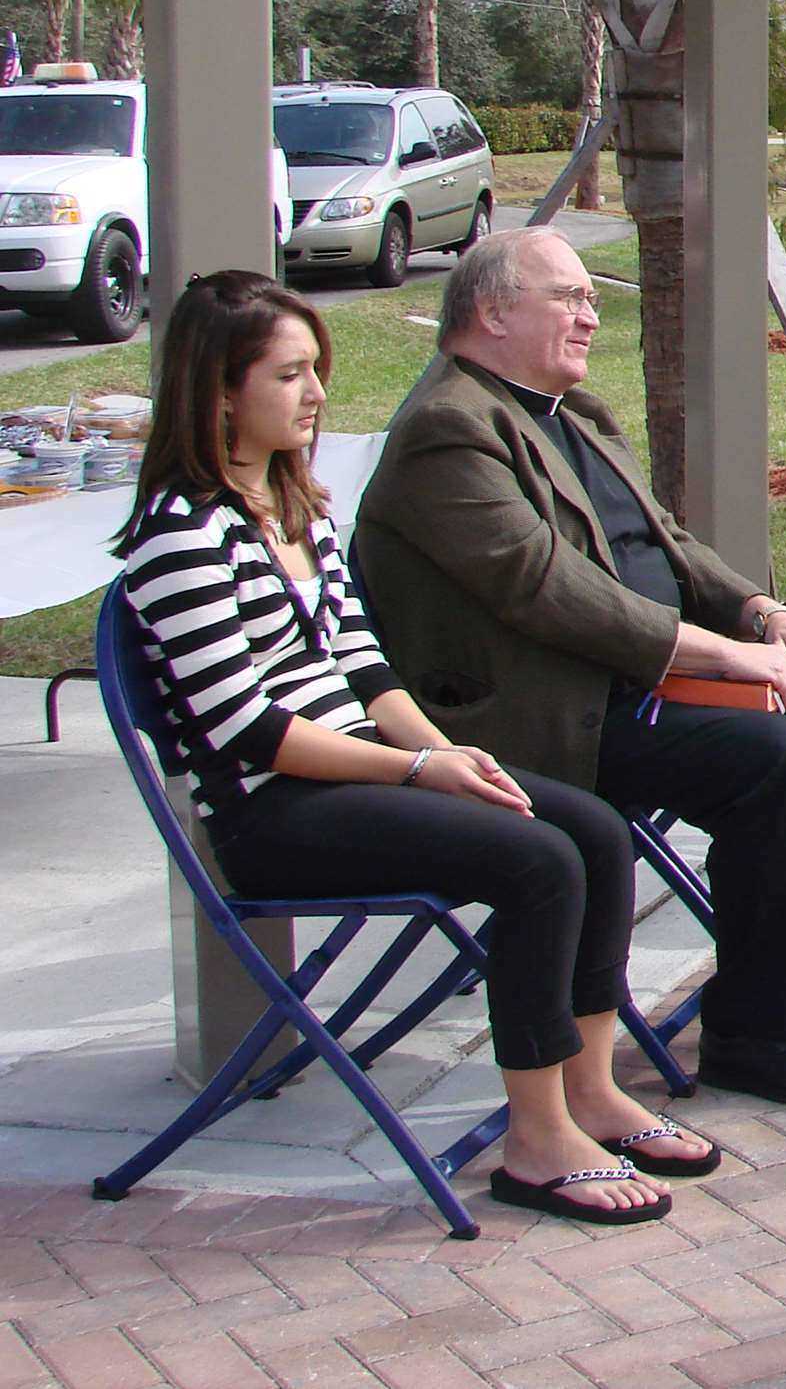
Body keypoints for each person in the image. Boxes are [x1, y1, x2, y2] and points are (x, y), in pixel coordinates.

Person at [116, 271, 715, 1227]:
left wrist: (453, 759)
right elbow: (251, 731)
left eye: (318, 371)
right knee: (536, 861)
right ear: (219, 392)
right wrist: (417, 770)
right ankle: (535, 1140)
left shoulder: (297, 513)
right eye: (290, 375)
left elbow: (366, 671)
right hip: (276, 811)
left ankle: (592, 1091)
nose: (316, 395)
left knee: (593, 828)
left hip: (366, 769)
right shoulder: (181, 539)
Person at [355, 229, 786, 1112]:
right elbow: (550, 593)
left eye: (591, 297)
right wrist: (726, 657)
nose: (591, 314)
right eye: (569, 297)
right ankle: (757, 1029)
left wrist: (762, 613)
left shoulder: (573, 415)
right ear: (492, 311)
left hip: (627, 685)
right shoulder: (448, 431)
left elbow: (669, 546)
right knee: (765, 755)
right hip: (542, 713)